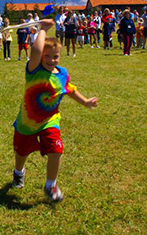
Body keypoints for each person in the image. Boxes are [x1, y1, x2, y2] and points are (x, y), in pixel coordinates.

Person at [11, 19, 98, 202]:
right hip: (28, 121)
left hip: (50, 119)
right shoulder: (34, 70)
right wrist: (42, 29)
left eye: (55, 56)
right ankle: (19, 172)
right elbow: (35, 50)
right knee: (21, 153)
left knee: (56, 149)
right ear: (40, 57)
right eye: (47, 56)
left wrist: (85, 102)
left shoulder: (62, 73)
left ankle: (51, 185)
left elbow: (70, 90)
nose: (52, 60)